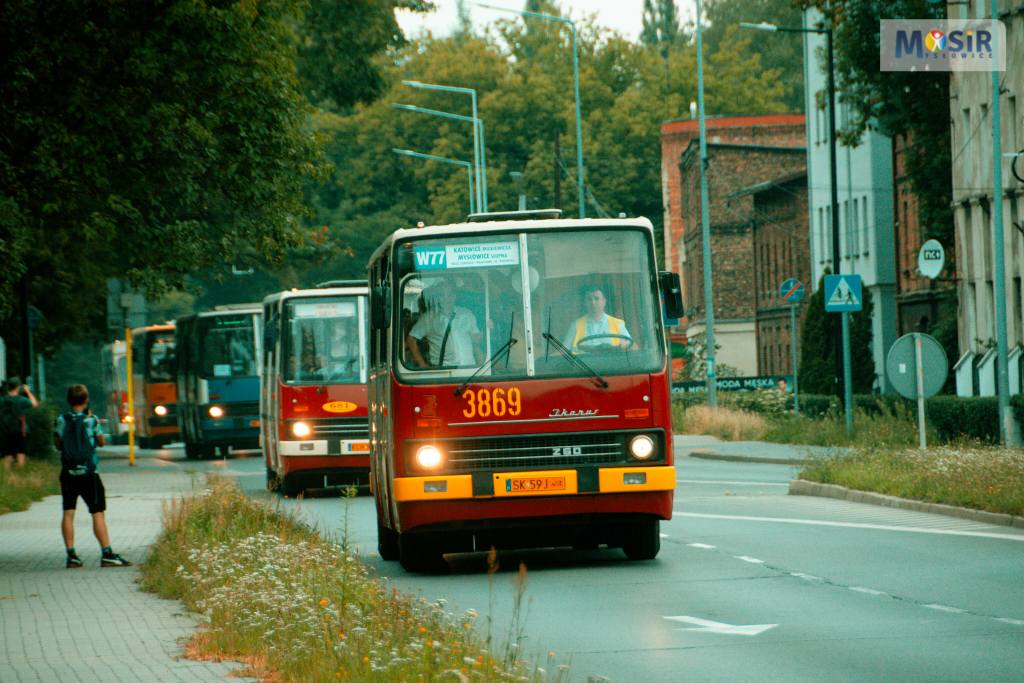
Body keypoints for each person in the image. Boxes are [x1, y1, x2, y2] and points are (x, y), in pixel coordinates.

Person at [55, 384, 131, 568]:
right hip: (89, 474)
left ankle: (71, 555)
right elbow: (101, 442)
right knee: (97, 513)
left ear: (68, 400)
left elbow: (58, 444)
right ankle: (106, 553)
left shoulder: (61, 420)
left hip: (68, 473)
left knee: (68, 513)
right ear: (86, 400)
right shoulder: (93, 420)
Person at [405, 281, 482, 368]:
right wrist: (423, 365)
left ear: (454, 296)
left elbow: (476, 340)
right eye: (442, 295)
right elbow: (411, 339)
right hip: (442, 371)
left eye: (449, 295)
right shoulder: (429, 318)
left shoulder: (466, 314)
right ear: (437, 297)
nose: (446, 299)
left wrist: (488, 329)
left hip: (469, 368)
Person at [562, 284, 632, 352]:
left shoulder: (617, 324)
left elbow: (631, 346)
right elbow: (562, 351)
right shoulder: (575, 325)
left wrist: (624, 345)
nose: (593, 302)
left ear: (604, 301)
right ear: (585, 302)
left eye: (596, 298)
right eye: (589, 299)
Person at [1, 377, 38, 471]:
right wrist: (28, 391)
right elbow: (35, 404)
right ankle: (20, 477)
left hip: (5, 431)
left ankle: (7, 479)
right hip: (19, 430)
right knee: (20, 453)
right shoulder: (22, 400)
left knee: (7, 455)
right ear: (18, 387)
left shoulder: (2, 400)